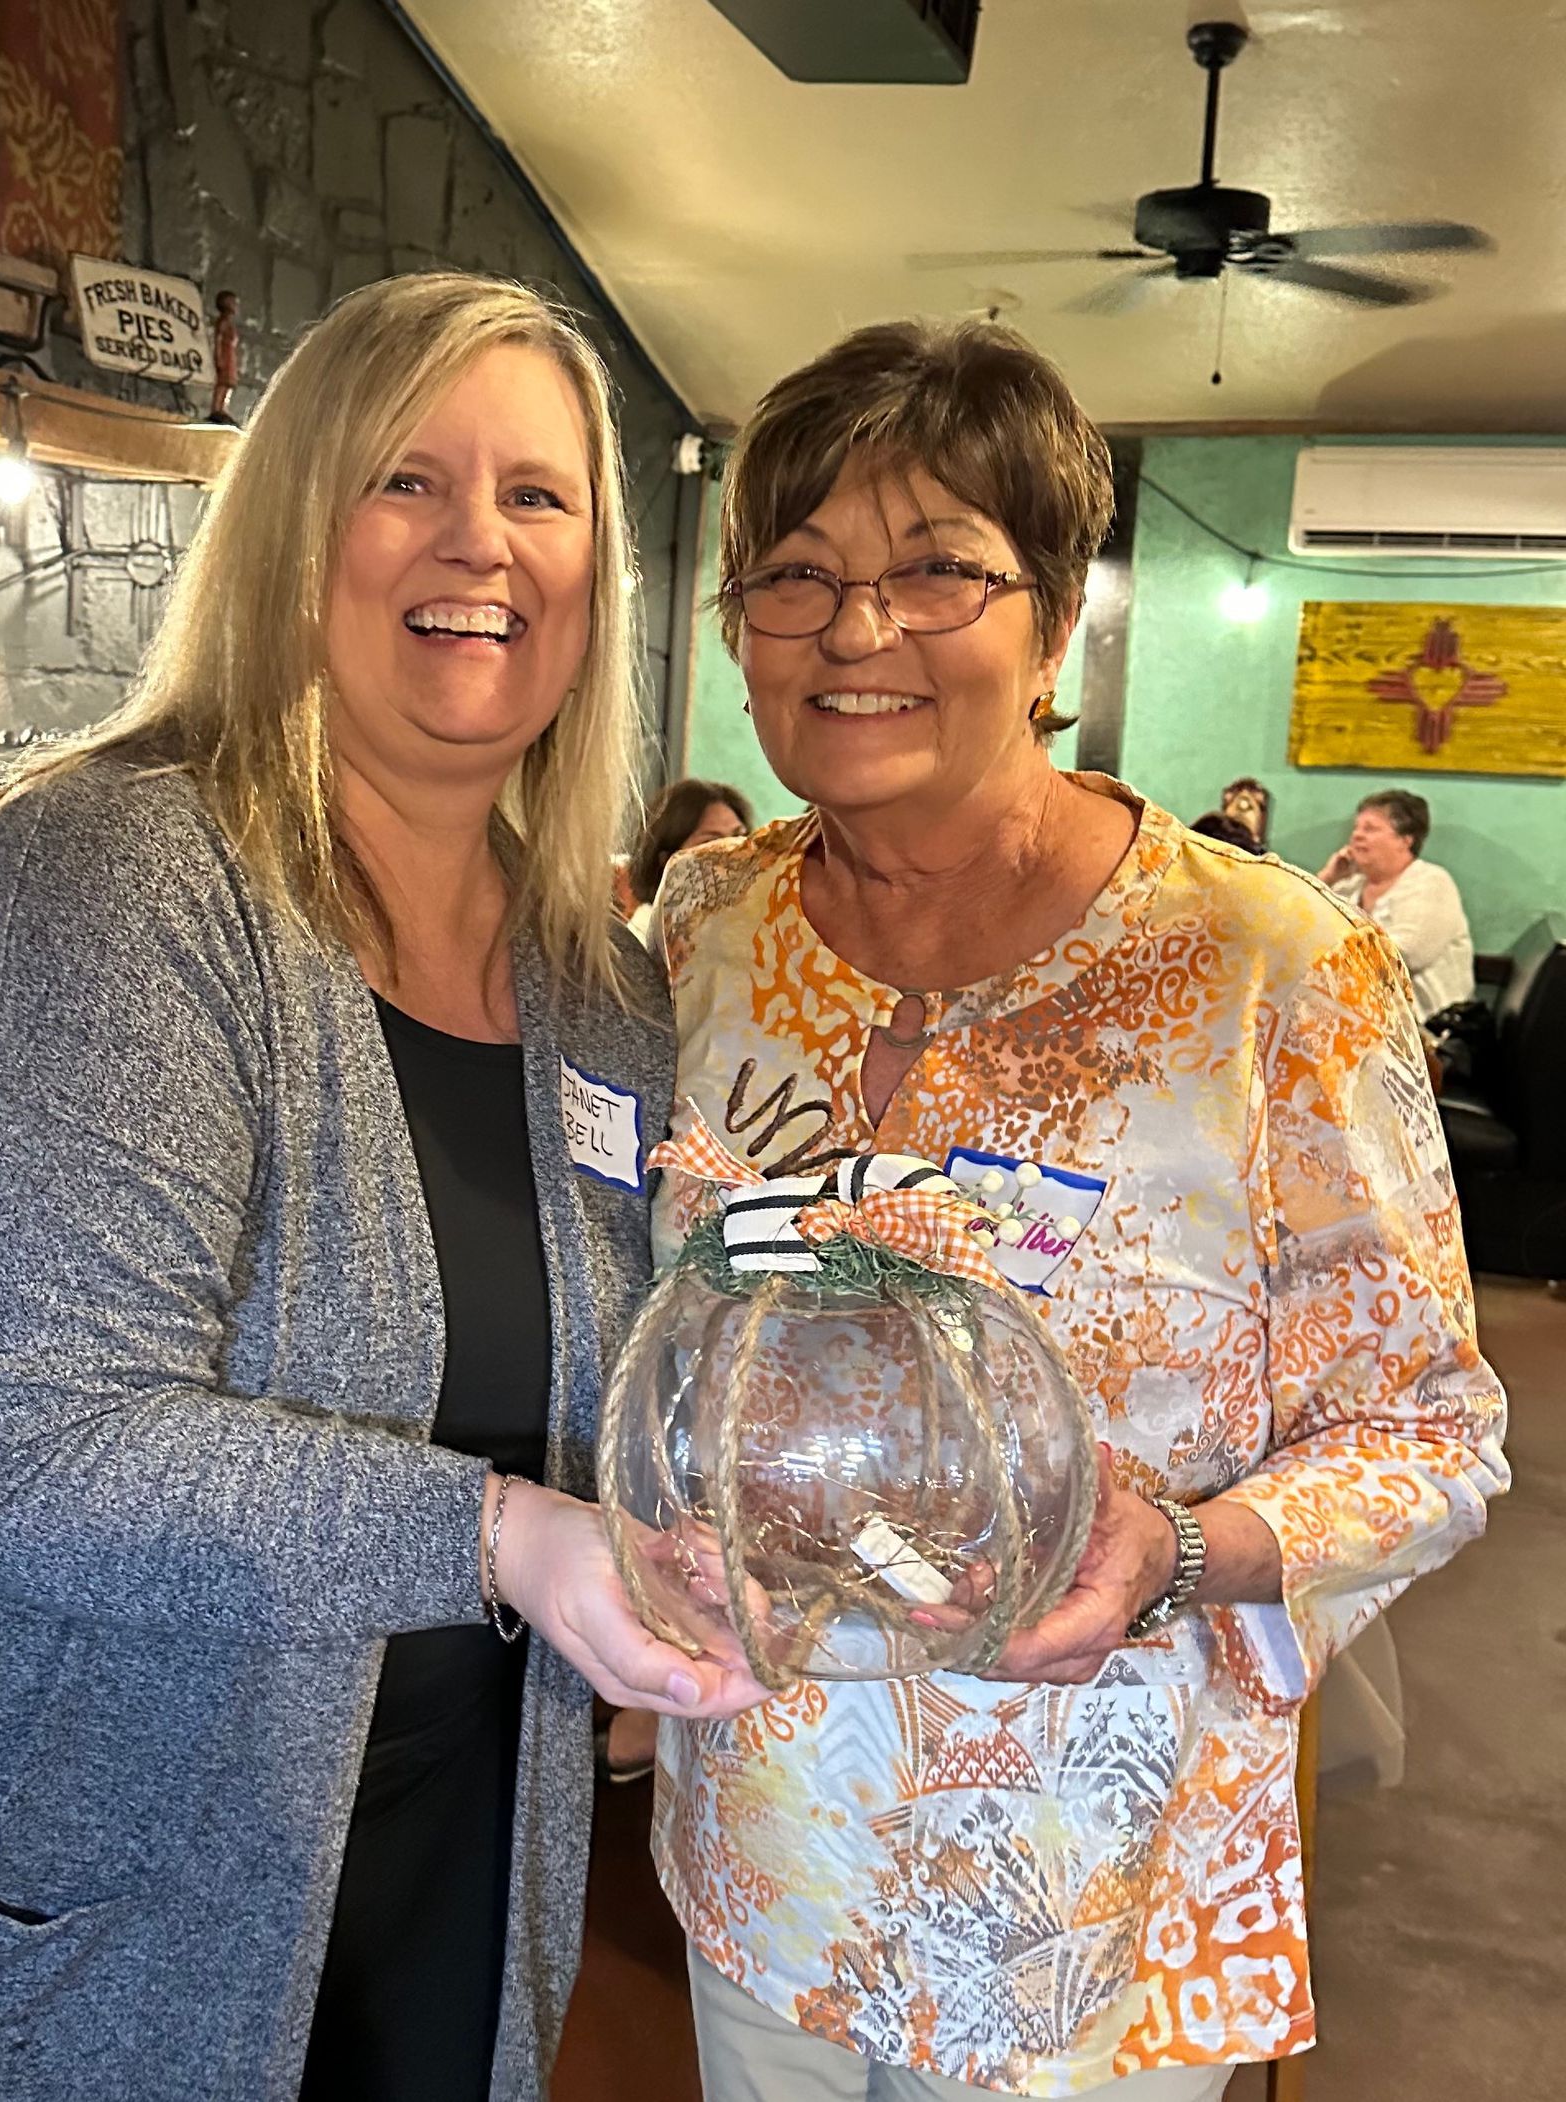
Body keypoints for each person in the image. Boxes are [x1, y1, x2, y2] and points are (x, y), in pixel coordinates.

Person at [0, 272, 766, 2102]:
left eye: (538, 494)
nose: (480, 541)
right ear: (292, 533)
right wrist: (506, 1538)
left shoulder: (601, 988)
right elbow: (28, 1440)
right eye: (406, 479)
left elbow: (589, 1384)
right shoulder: (107, 876)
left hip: (425, 1834)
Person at [647, 318, 1507, 2100]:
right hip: (765, 1843)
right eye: (795, 574)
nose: (857, 629)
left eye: (936, 569)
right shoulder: (706, 927)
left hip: (1091, 1900)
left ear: (1052, 627)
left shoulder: (1268, 965)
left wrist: (1182, 1551)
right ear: (739, 631)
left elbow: (1433, 1431)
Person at [1320, 789, 1475, 1021]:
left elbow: (1407, 954)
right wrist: (1327, 878)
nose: (1357, 836)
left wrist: (1326, 951)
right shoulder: (1348, 886)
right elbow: (1300, 925)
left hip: (1426, 1026)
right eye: (1356, 828)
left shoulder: (1431, 882)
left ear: (1406, 840)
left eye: (1370, 829)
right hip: (1359, 1020)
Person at [624, 778, 755, 944]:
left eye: (740, 838)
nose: (735, 855)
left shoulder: (744, 930)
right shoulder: (642, 944)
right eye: (713, 844)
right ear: (666, 861)